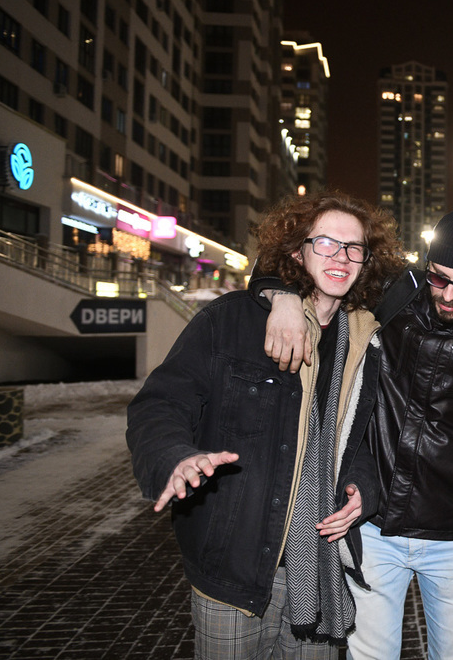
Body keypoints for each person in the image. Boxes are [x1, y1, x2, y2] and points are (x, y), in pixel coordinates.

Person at [127, 191, 404, 659]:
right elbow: (160, 404)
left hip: (320, 570)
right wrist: (174, 457)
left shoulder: (366, 342)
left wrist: (364, 488)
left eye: (354, 248)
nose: (341, 257)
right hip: (235, 569)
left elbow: (363, 439)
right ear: (296, 252)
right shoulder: (232, 320)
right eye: (325, 243)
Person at [260, 206, 453, 660]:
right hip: (375, 526)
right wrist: (284, 298)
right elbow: (294, 263)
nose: (448, 295)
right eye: (438, 277)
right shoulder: (394, 292)